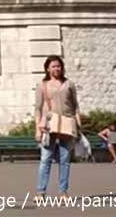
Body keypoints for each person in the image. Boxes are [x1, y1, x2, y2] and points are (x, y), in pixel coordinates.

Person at [34, 55, 82, 201]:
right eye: (53, 66)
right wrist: (37, 128)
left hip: (67, 124)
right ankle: (40, 192)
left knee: (64, 159)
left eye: (59, 66)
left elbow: (75, 106)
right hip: (49, 125)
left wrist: (79, 126)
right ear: (48, 69)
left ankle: (63, 192)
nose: (56, 69)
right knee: (45, 159)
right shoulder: (42, 85)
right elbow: (37, 108)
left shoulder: (69, 84)